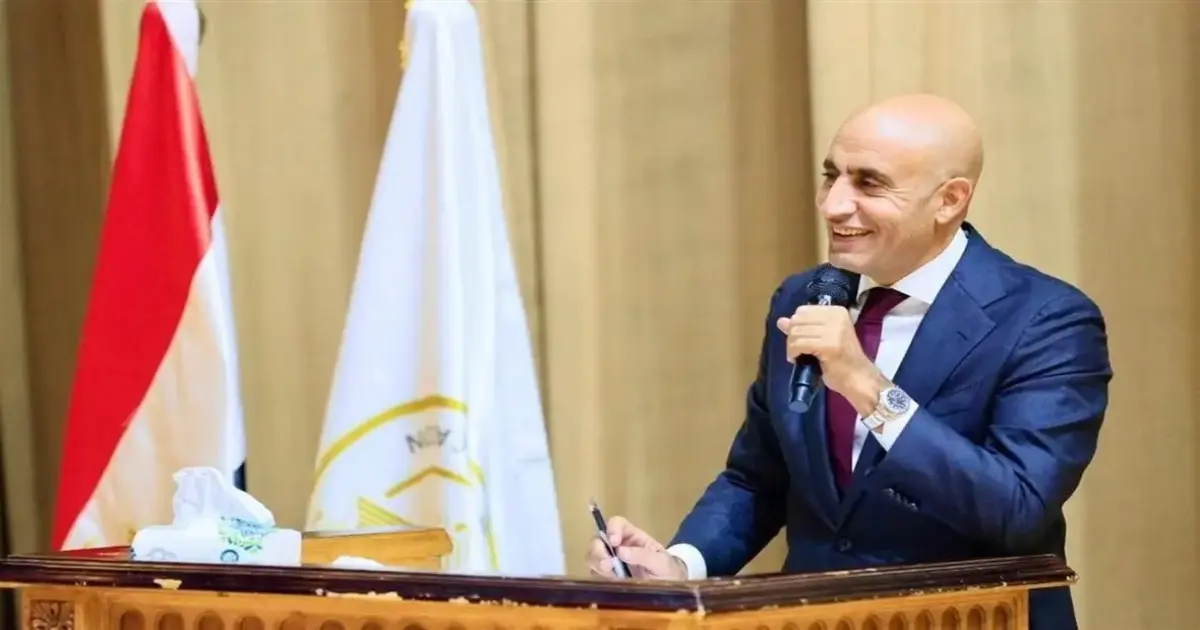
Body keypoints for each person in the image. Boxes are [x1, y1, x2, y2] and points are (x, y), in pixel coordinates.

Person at [584, 93, 1111, 630]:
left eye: (869, 183)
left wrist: (866, 385)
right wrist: (681, 565)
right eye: (831, 176)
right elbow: (758, 477)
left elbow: (1018, 507)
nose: (833, 205)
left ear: (949, 200)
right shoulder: (804, 298)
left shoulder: (1045, 319)